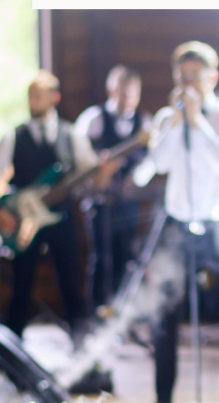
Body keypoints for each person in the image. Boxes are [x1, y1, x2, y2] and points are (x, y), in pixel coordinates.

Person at [133, 41, 219, 403]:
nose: (187, 84)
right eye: (181, 77)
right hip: (178, 226)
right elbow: (159, 164)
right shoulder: (167, 118)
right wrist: (175, 123)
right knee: (163, 319)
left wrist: (198, 121)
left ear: (212, 78)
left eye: (195, 77)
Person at [0, 70, 115, 337]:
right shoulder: (14, 136)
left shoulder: (71, 135)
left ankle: (81, 346)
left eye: (38, 96)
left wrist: (104, 172)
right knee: (21, 287)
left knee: (71, 284)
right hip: (23, 222)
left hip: (61, 218)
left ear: (55, 98)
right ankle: (12, 346)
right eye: (30, 96)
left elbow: (91, 180)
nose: (32, 102)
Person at [74, 65, 152, 307]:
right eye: (123, 92)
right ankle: (97, 310)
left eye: (132, 93)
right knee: (100, 256)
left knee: (126, 255)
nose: (127, 98)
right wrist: (99, 171)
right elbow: (77, 158)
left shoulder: (144, 122)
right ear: (111, 90)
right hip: (99, 200)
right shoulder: (93, 118)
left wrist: (137, 177)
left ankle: (121, 310)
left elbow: (151, 159)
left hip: (128, 201)